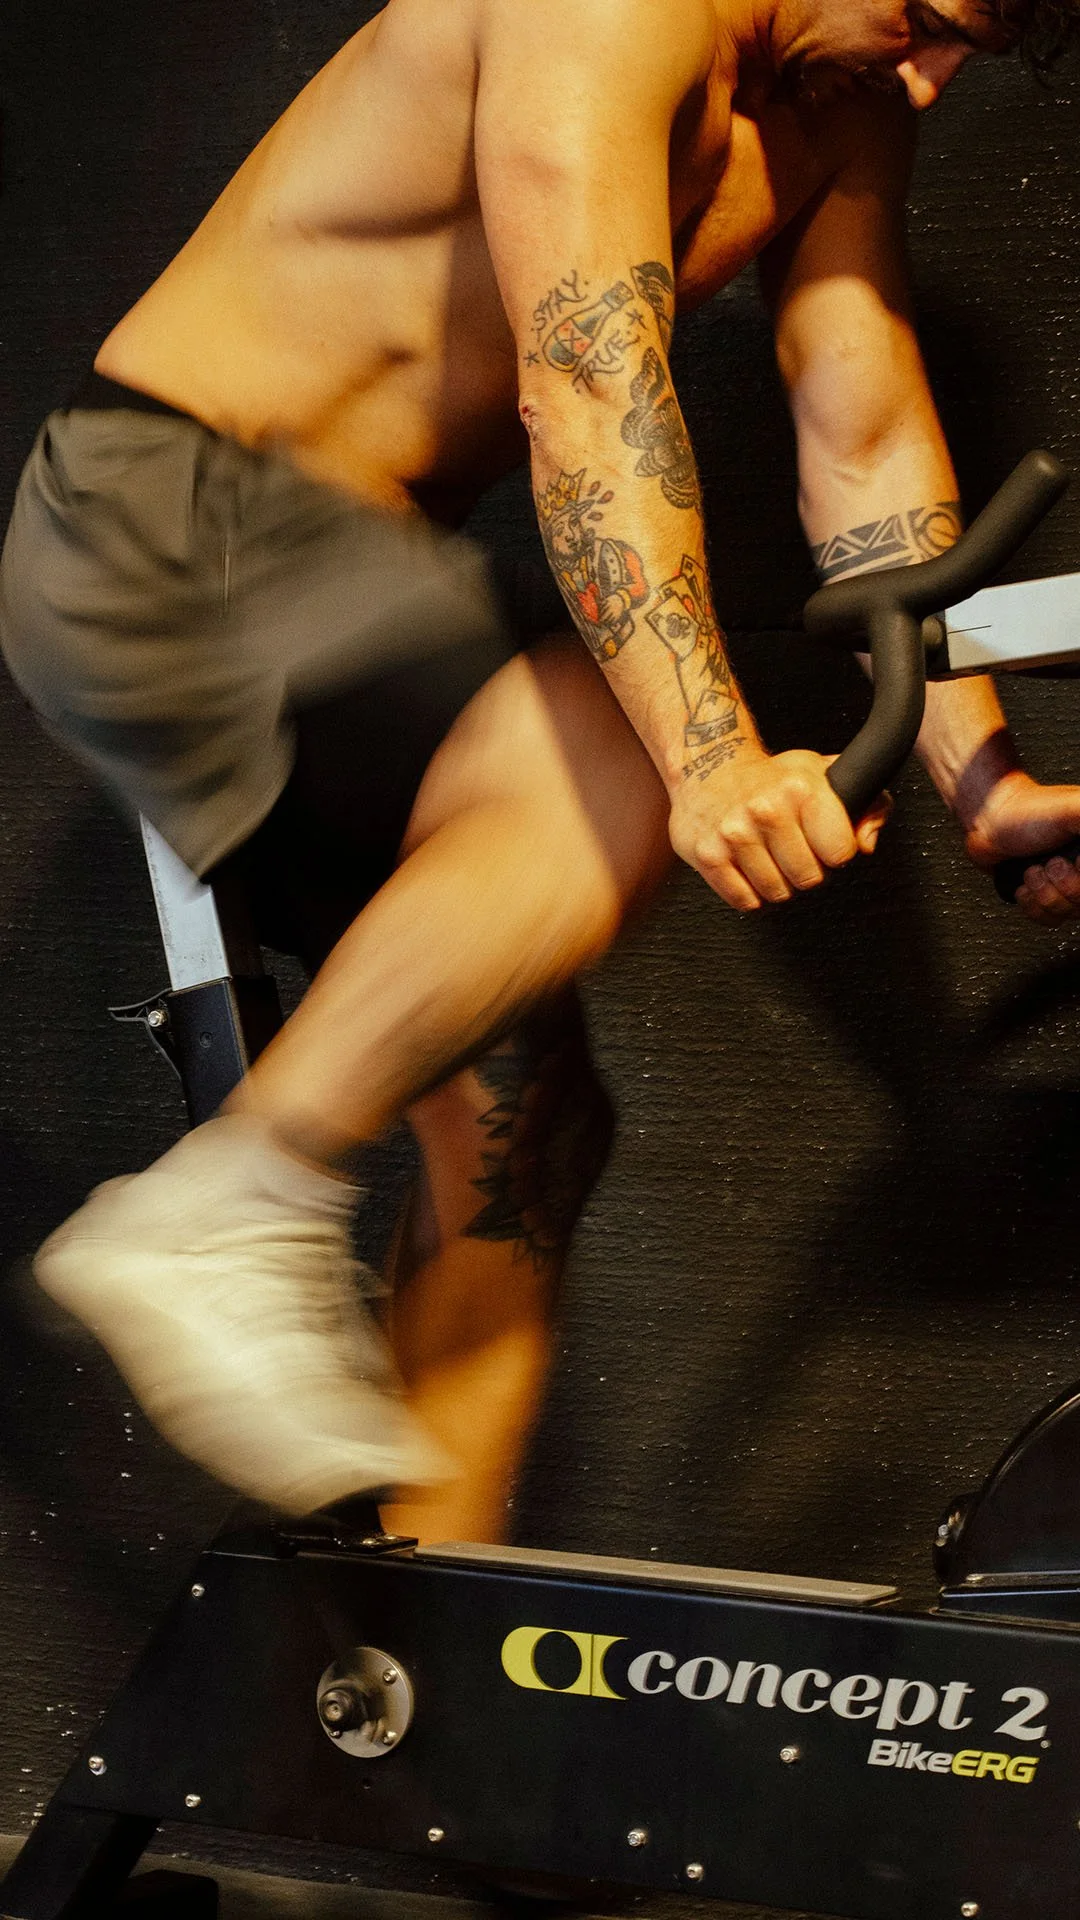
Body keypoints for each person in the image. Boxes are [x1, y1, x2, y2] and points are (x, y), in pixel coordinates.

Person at [2, 0, 1079, 1541]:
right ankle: (228, 1202)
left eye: (974, 50)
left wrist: (979, 780)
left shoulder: (848, 105)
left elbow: (863, 433)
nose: (926, 77)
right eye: (925, 19)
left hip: (357, 591)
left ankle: (400, 1689)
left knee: (525, 1118)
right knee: (610, 760)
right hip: (162, 512)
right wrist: (705, 758)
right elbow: (587, 381)